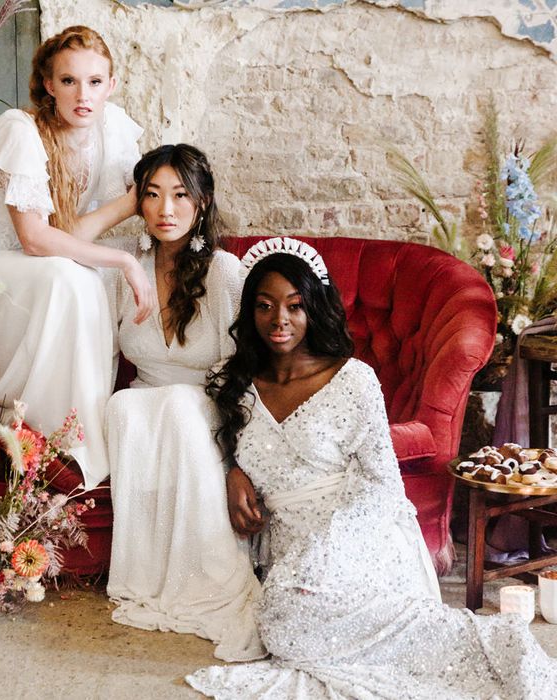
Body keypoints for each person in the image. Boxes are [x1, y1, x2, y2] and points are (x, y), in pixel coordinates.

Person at [187, 237, 557, 698]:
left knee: (286, 617)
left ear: (313, 308)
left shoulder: (353, 379)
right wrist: (232, 472)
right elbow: (217, 444)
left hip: (359, 533)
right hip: (282, 544)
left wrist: (326, 547)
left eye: (294, 306)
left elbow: (381, 486)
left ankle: (486, 640)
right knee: (281, 625)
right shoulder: (235, 383)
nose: (279, 320)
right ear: (249, 311)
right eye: (264, 306)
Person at [0, 26, 153, 490]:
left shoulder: (113, 130)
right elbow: (35, 240)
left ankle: (83, 442)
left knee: (88, 278)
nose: (83, 95)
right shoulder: (20, 130)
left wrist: (129, 242)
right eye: (68, 81)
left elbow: (76, 232)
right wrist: (118, 259)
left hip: (28, 264)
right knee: (69, 278)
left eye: (95, 82)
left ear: (113, 85)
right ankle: (45, 430)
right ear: (48, 83)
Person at [104, 144, 264, 662]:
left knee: (175, 404)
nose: (164, 210)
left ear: (202, 201)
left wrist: (237, 458)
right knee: (124, 406)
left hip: (206, 406)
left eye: (179, 195)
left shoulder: (224, 272)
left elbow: (244, 372)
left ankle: (208, 577)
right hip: (147, 406)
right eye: (150, 196)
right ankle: (145, 574)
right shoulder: (123, 270)